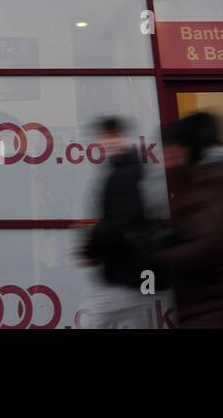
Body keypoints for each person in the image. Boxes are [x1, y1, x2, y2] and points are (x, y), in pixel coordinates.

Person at [152, 112, 223, 328]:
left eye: (167, 149)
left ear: (184, 148)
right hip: (213, 305)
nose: (163, 157)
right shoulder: (196, 181)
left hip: (221, 308)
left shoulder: (211, 181)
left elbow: (209, 244)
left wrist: (160, 256)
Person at [79, 116, 156, 328]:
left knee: (92, 321)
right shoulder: (129, 169)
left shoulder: (123, 173)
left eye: (110, 136)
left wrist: (90, 246)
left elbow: (121, 220)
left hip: (121, 269)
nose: (105, 143)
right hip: (133, 269)